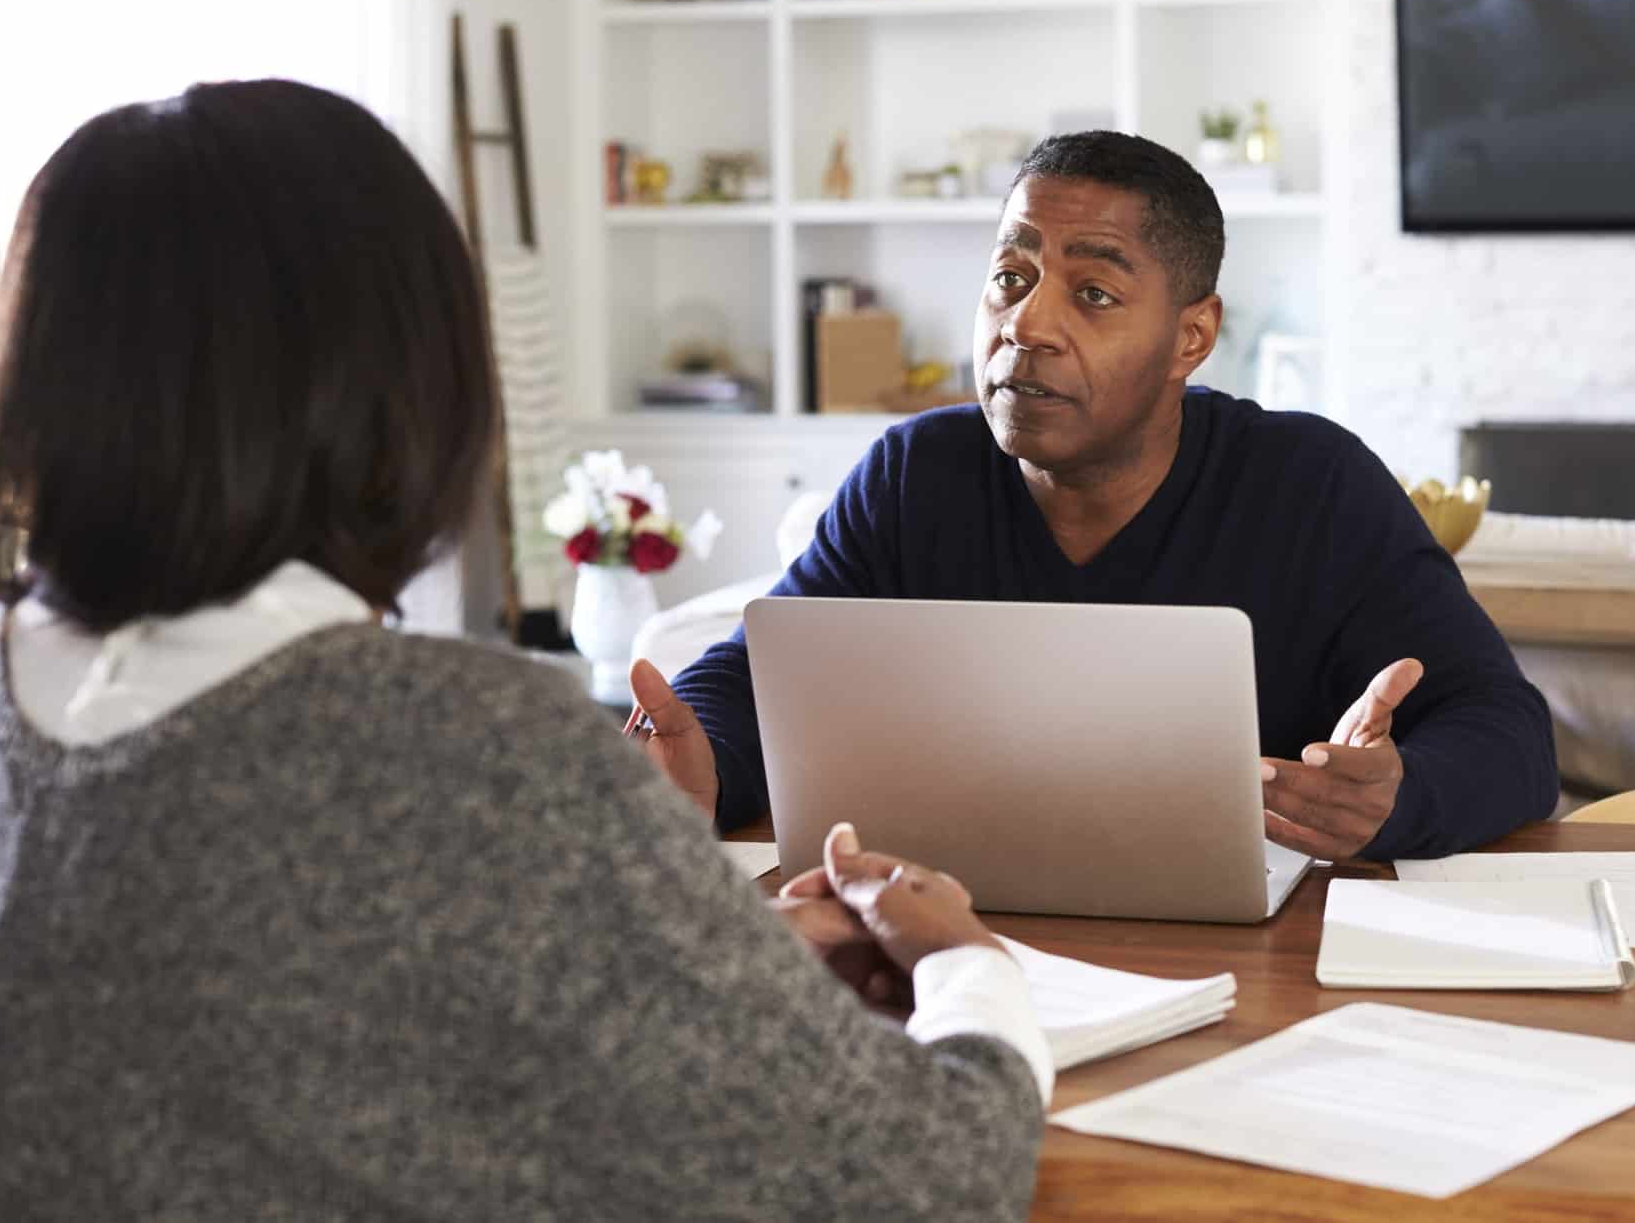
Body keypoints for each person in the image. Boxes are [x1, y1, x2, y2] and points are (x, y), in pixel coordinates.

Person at [0, 80, 1052, 1222]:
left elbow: (270, 1018)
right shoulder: (463, 732)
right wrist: (962, 961)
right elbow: (931, 1180)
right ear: (407, 372)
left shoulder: (33, 666)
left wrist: (696, 961)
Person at [634, 131, 1558, 862]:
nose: (1027, 324)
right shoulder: (915, 475)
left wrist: (1398, 796)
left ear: (1191, 338)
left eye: (1095, 294)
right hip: (962, 945)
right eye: (1010, 278)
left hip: (1252, 972)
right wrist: (699, 757)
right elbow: (760, 674)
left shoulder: (1312, 485)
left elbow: (1508, 732)